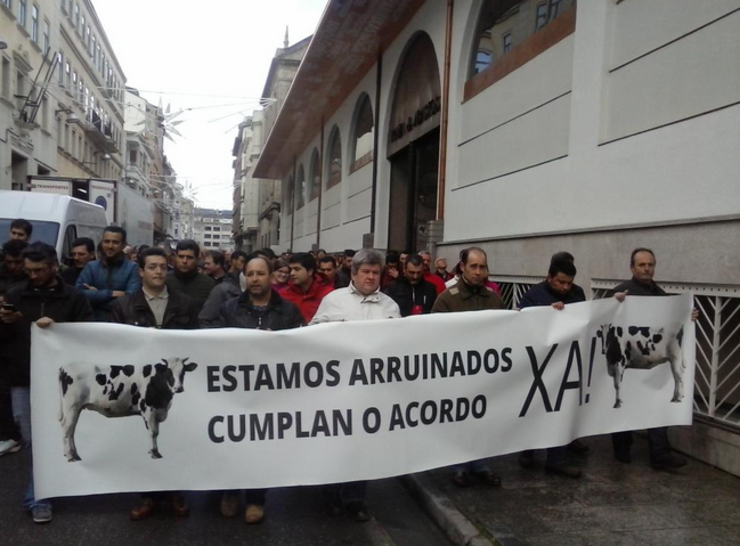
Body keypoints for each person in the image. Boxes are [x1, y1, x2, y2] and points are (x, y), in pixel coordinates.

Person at [0, 243, 93, 523]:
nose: (33, 275)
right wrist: (5, 322)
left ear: (54, 266)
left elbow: (87, 332)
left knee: (54, 436)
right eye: (29, 271)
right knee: (32, 439)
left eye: (39, 270)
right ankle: (46, 486)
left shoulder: (74, 297)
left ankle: (39, 496)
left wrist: (55, 327)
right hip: (23, 377)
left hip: (62, 380)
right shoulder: (15, 295)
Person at [311, 250, 401, 521]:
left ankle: (354, 499)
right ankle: (330, 494)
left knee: (362, 447)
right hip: (336, 391)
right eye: (366, 272)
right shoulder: (332, 301)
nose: (371, 277)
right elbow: (310, 335)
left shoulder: (390, 307)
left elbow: (400, 346)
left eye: (376, 273)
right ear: (354, 274)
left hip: (371, 392)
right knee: (335, 444)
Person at [214, 255, 304, 524]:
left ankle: (255, 498)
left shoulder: (288, 311)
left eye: (260, 274)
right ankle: (229, 491)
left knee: (260, 446)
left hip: (271, 391)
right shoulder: (229, 309)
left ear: (271, 276)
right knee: (232, 443)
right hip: (235, 390)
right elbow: (213, 344)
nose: (255, 279)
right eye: (250, 274)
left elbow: (302, 346)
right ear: (245, 277)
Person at [110, 247, 198, 520]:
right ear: (141, 272)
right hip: (141, 387)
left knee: (176, 438)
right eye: (152, 267)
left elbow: (197, 343)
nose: (159, 271)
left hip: (173, 388)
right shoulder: (122, 306)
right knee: (145, 438)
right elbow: (113, 346)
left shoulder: (185, 303)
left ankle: (174, 491)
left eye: (162, 266)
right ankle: (146, 495)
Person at [610, 247, 697, 470]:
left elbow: (671, 323)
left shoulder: (661, 296)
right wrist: (613, 303)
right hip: (629, 360)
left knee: (656, 405)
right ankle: (621, 448)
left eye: (650, 264)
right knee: (625, 405)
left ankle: (660, 454)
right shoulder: (621, 293)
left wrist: (687, 316)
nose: (647, 268)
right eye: (642, 264)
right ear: (632, 267)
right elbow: (606, 320)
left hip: (653, 362)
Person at [432, 247, 504, 488]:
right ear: (462, 267)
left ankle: (481, 464)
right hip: (457, 372)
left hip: (486, 372)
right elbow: (433, 336)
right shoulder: (447, 298)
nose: (478, 272)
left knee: (483, 419)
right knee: (459, 419)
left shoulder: (493, 298)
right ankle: (458, 466)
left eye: (482, 267)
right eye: (473, 266)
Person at [517, 257, 587, 478]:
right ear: (549, 277)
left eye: (569, 283)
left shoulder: (578, 294)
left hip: (566, 362)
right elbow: (521, 323)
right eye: (560, 282)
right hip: (538, 363)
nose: (565, 288)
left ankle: (556, 458)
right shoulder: (532, 296)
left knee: (560, 409)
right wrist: (546, 313)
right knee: (535, 408)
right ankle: (527, 450)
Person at [76, 226, 140, 321]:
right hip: (92, 323)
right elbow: (78, 295)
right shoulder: (91, 267)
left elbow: (131, 299)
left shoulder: (132, 268)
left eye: (115, 242)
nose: (110, 246)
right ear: (101, 243)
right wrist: (110, 294)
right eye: (106, 241)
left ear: (123, 245)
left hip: (120, 323)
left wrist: (96, 295)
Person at [0, 240, 28, 457]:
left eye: (18, 262)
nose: (13, 266)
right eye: (9, 262)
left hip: (21, 344)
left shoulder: (30, 282)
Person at [165, 240, 215, 315]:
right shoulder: (164, 280)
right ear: (175, 257)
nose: (184, 261)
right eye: (181, 257)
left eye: (189, 257)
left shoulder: (209, 284)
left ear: (197, 259)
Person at [281, 252, 334, 323]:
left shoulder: (329, 295)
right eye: (291, 270)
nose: (292, 273)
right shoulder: (283, 295)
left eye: (297, 269)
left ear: (310, 271)